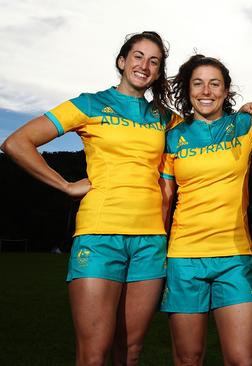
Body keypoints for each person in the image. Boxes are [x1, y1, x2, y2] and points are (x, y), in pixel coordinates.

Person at [1, 31, 172, 365]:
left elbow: (204, 132)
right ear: (122, 62)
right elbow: (17, 143)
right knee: (93, 354)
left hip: (151, 241)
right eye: (138, 56)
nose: (144, 65)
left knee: (131, 351)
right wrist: (64, 185)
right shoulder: (90, 103)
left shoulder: (164, 118)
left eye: (154, 61)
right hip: (99, 236)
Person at [158, 54, 252, 366]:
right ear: (187, 89)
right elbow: (165, 199)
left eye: (214, 84)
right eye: (198, 83)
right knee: (187, 358)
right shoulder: (173, 137)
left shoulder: (242, 125)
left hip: (234, 258)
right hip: (184, 258)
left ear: (225, 91)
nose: (206, 90)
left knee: (239, 360)